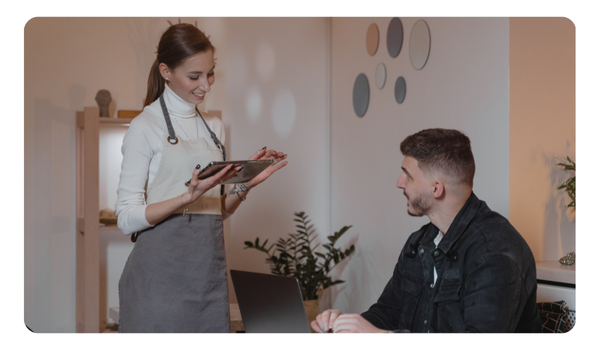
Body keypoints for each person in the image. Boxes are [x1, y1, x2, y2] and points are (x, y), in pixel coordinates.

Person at [115, 23, 287, 333]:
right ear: (166, 71)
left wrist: (246, 182)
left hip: (207, 282)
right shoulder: (145, 127)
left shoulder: (214, 128)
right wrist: (186, 197)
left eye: (210, 73)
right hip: (158, 286)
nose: (206, 85)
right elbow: (126, 218)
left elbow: (213, 213)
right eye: (194, 76)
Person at [312, 128, 541, 333]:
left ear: (436, 188)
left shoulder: (495, 254)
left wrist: (382, 340)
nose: (399, 183)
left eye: (408, 175)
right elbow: (387, 314)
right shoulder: (420, 243)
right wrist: (344, 327)